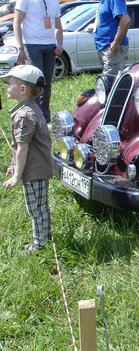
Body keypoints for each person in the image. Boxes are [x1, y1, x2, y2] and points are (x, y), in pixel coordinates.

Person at [1, 65, 53, 253]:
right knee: (39, 206)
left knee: (36, 208)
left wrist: (16, 175)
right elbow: (18, 147)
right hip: (32, 167)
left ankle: (40, 244)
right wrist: (13, 165)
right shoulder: (28, 109)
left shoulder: (24, 115)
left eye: (9, 84)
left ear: (22, 89)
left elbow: (23, 148)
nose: (6, 87)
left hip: (34, 170)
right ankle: (44, 236)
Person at [13, 0, 64, 123]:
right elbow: (17, 22)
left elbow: (58, 26)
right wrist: (21, 47)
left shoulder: (53, 0)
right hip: (32, 46)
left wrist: (59, 45)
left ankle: (45, 117)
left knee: (47, 82)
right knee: (35, 81)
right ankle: (33, 116)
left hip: (49, 46)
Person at [89, 0, 131, 75]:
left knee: (110, 84)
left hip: (112, 48)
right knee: (106, 82)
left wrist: (116, 43)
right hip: (104, 47)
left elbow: (125, 20)